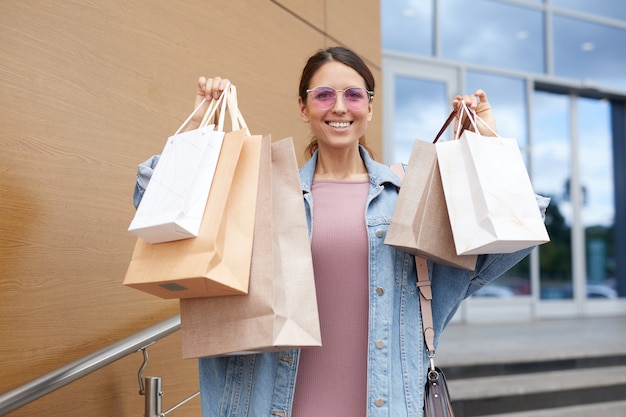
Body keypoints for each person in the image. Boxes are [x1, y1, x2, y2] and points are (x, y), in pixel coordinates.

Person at [134, 46, 549, 417]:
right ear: (303, 107)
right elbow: (165, 212)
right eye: (324, 95)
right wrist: (200, 133)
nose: (339, 107)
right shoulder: (261, 197)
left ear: (369, 107)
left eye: (353, 94)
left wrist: (484, 147)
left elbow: (504, 243)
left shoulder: (409, 201)